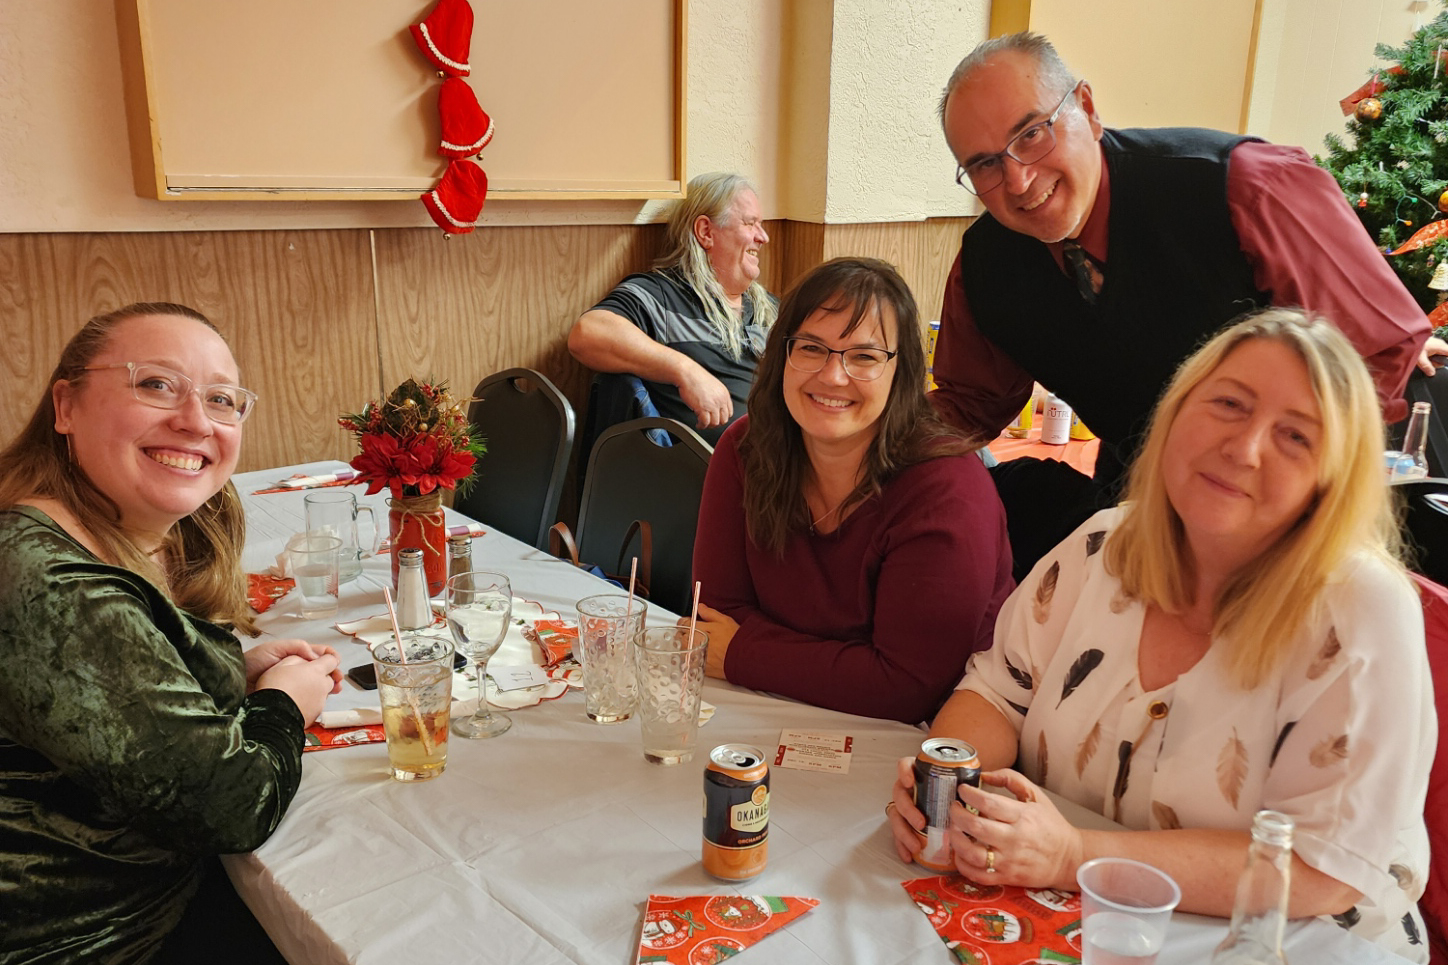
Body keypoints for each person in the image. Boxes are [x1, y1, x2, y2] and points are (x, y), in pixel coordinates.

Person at [888, 310, 1435, 961]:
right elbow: (996, 692)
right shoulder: (1101, 544)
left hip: (1283, 940)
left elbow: (1322, 872)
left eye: (1295, 436)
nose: (1245, 447)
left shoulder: (1362, 612)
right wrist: (944, 781)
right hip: (1065, 916)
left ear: (1332, 480)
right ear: (1176, 410)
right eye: (1229, 403)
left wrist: (1071, 854)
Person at [930, 31, 1442, 577]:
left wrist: (1264, 519)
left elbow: (1372, 357)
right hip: (1149, 499)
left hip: (1340, 493)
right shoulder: (984, 264)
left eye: (1032, 133)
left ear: (1086, 107)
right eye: (985, 164)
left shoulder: (1242, 183)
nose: (1019, 180)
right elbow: (968, 404)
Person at [0, 303, 343, 964]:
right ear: (64, 406)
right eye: (155, 384)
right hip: (96, 937)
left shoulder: (96, 528)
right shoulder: (51, 582)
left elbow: (107, 692)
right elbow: (231, 805)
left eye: (221, 398)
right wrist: (284, 703)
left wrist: (230, 672)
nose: (194, 420)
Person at [691, 258, 1014, 725]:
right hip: (776, 711)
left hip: (927, 743)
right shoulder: (745, 449)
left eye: (864, 357)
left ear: (901, 375)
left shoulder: (947, 492)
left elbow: (908, 688)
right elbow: (715, 620)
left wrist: (748, 652)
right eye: (811, 348)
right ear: (782, 354)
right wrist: (849, 667)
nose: (833, 376)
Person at [568, 171, 778, 445]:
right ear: (705, 232)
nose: (763, 237)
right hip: (715, 474)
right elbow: (588, 334)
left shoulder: (771, 308)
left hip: (787, 456)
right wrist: (685, 370)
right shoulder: (663, 296)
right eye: (750, 224)